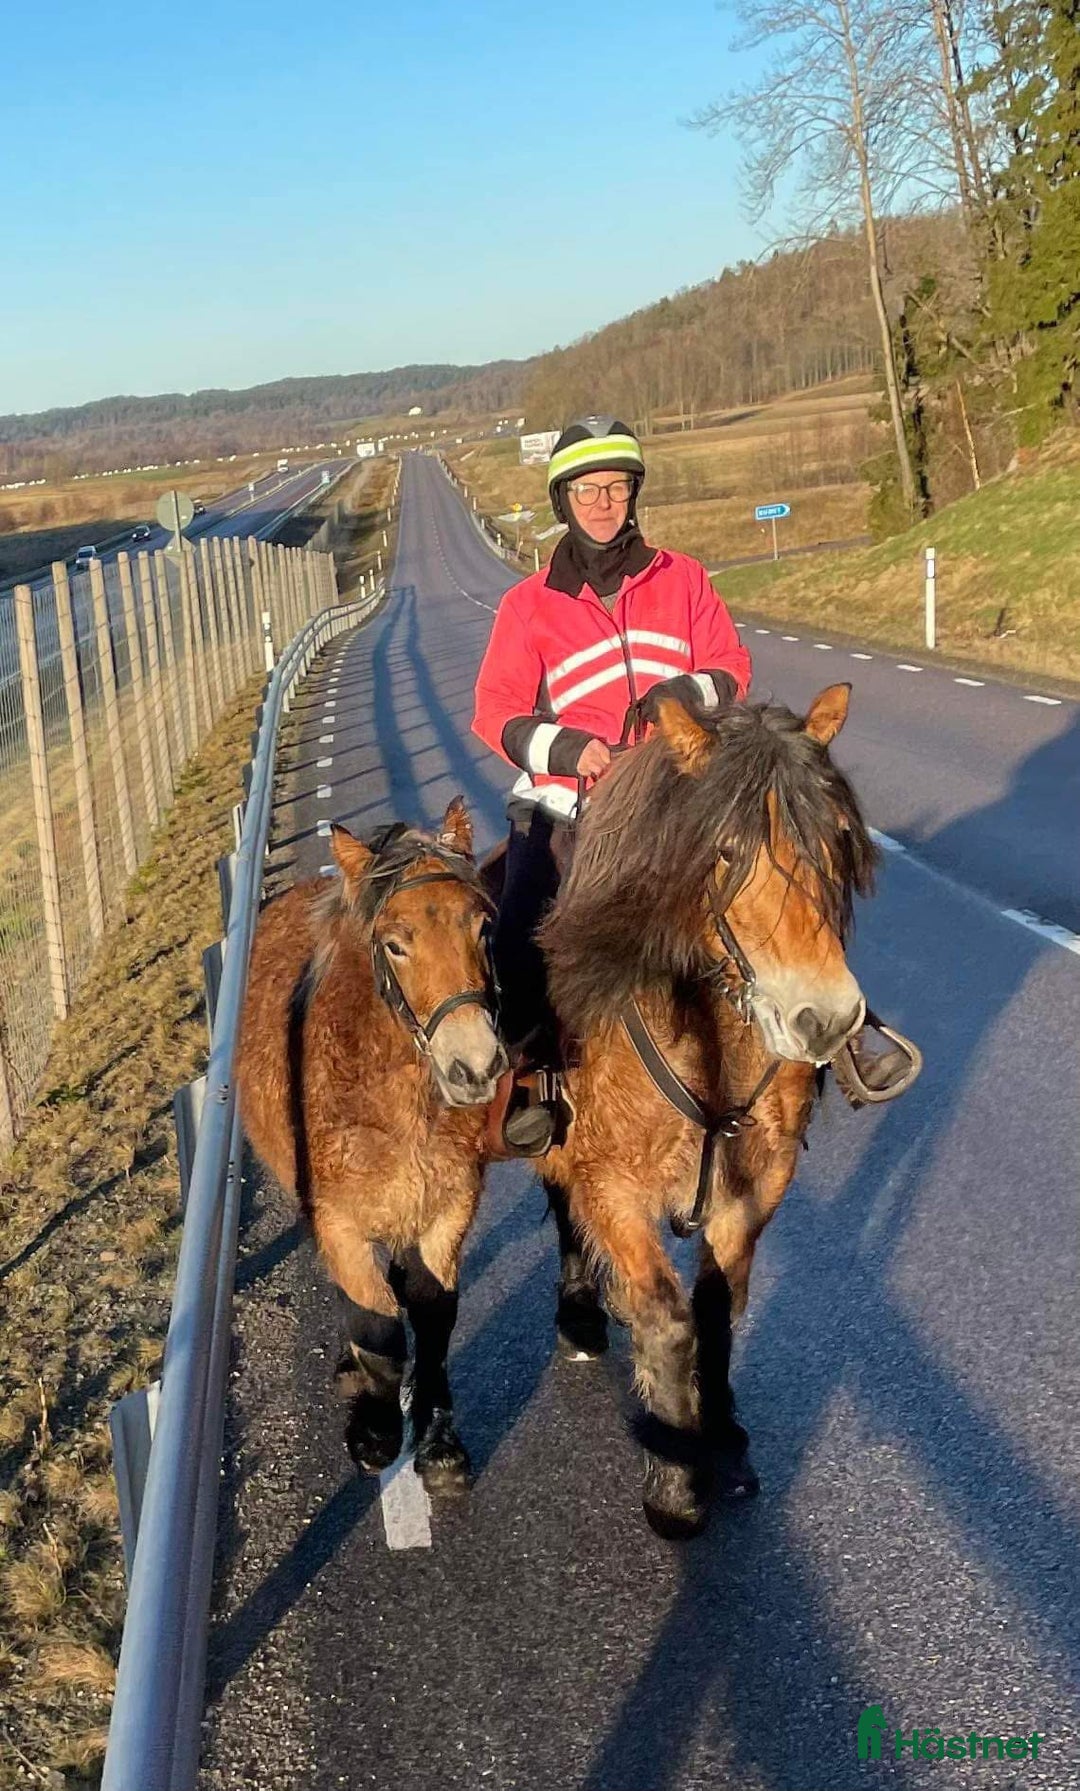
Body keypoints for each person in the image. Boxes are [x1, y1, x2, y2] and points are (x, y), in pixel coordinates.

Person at [472, 415, 907, 1154]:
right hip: (570, 800)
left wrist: (687, 691)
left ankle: (843, 1032)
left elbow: (732, 665)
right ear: (563, 499)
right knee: (519, 929)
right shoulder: (529, 604)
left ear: (634, 493)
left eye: (616, 486)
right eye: (588, 488)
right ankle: (538, 1070)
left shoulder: (683, 576)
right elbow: (496, 712)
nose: (604, 502)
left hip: (681, 790)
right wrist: (570, 747)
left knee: (784, 870)